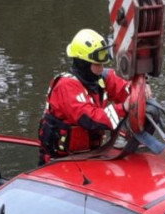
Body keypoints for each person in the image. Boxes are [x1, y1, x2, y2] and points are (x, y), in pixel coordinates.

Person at [38, 28, 131, 165]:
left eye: (102, 64)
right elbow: (90, 119)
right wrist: (123, 108)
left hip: (90, 156)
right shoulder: (66, 86)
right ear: (83, 63)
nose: (101, 68)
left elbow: (123, 88)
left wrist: (138, 90)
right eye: (97, 64)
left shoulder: (100, 78)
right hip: (59, 161)